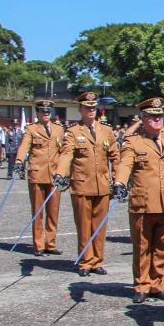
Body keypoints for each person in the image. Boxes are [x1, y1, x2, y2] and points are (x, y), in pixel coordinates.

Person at [113, 98, 164, 303]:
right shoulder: (134, 141)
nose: (157, 119)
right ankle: (141, 284)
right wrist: (119, 183)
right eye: (153, 116)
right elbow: (125, 165)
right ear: (144, 119)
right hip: (143, 203)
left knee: (163, 247)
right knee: (142, 247)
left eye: (160, 116)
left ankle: (157, 284)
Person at [54, 92, 120, 276]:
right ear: (80, 109)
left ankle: (97, 261)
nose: (91, 110)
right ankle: (85, 261)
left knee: (99, 226)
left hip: (102, 186)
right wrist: (61, 173)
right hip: (82, 185)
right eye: (87, 107)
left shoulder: (106, 130)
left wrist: (118, 179)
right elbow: (66, 155)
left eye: (93, 107)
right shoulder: (74, 132)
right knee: (84, 226)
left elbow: (115, 155)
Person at [15, 100, 65, 256]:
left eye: (48, 111)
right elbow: (24, 146)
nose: (46, 114)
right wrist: (18, 160)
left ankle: (50, 243)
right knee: (38, 212)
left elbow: (64, 151)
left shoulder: (59, 129)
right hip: (37, 174)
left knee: (53, 211)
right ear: (37, 113)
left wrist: (66, 172)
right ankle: (38, 245)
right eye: (43, 111)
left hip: (55, 175)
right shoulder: (31, 129)